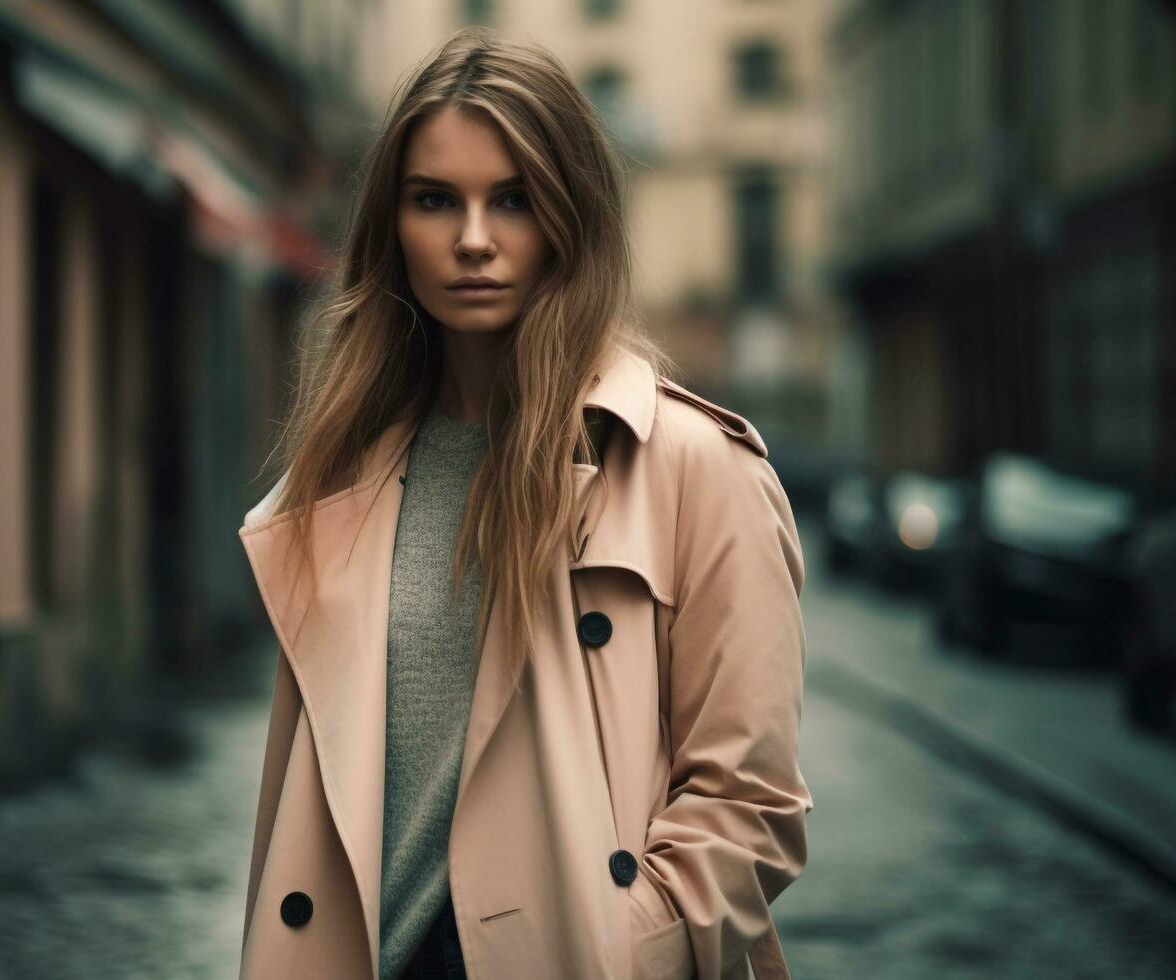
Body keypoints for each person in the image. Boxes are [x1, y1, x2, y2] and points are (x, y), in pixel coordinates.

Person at [236, 26, 812, 980]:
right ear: (392, 227)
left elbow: (750, 803)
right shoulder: (345, 473)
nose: (472, 239)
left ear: (568, 216)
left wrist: (613, 949)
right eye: (434, 201)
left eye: (512, 199)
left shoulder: (685, 465)